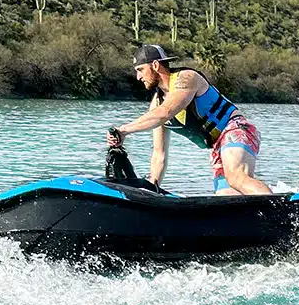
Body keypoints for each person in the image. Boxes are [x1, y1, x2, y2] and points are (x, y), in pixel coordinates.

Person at [106, 44, 272, 195]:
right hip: (217, 146)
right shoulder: (156, 104)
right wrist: (151, 189)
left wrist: (124, 130)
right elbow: (159, 155)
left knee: (236, 177)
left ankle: (281, 213)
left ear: (155, 65)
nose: (138, 77)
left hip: (236, 129)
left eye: (140, 69)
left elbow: (166, 112)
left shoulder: (186, 78)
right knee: (226, 196)